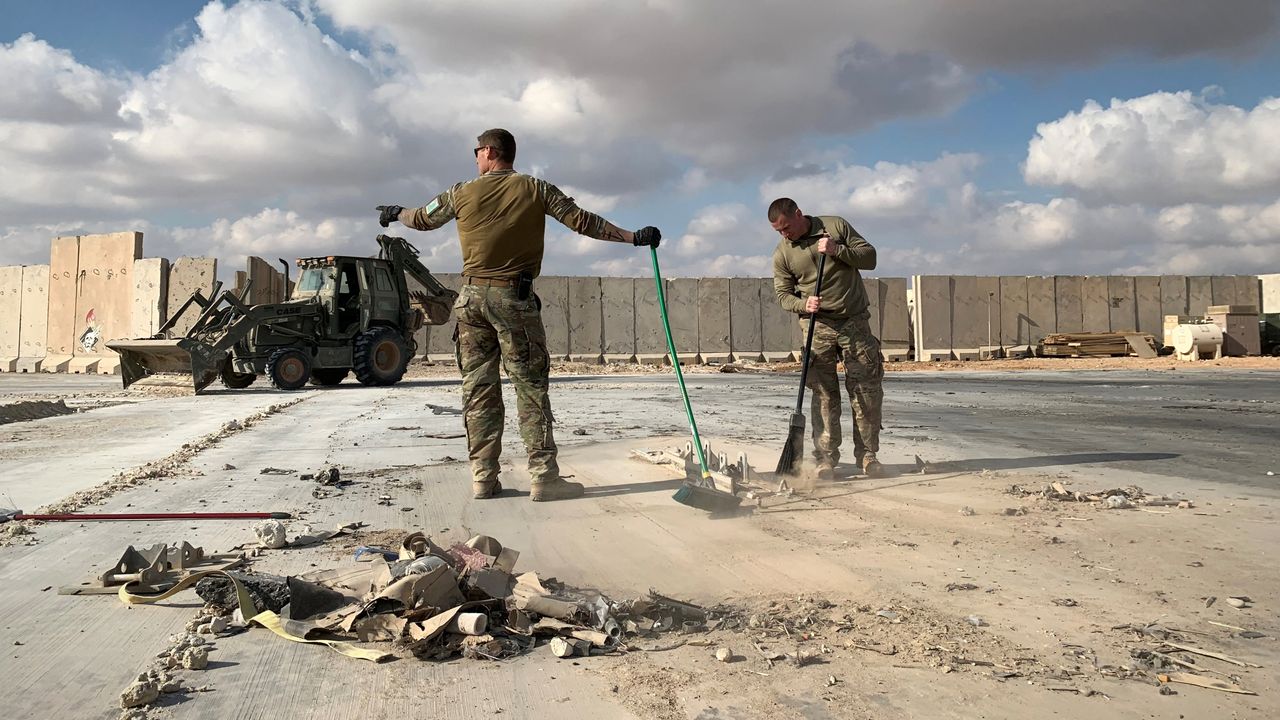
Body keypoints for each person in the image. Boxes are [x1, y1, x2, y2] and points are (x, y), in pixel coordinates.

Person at [377, 128, 661, 502]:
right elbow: (582, 221)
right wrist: (633, 237)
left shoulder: (459, 192)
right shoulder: (535, 188)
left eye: (477, 151)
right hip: (514, 300)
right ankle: (543, 477)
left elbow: (423, 218)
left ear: (491, 152)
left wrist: (396, 213)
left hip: (471, 302)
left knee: (478, 392)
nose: (475, 158)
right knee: (529, 387)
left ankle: (483, 477)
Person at [769, 197, 884, 479]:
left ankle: (868, 455)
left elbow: (870, 258)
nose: (785, 235)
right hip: (816, 325)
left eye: (787, 228)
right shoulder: (783, 253)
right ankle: (825, 459)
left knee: (865, 390)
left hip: (853, 322)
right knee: (823, 394)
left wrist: (837, 250)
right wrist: (802, 305)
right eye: (778, 232)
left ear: (798, 214)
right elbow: (783, 295)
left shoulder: (835, 226)